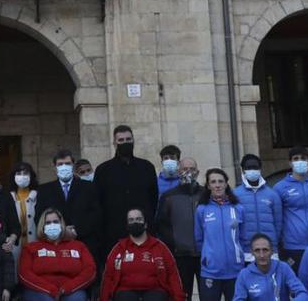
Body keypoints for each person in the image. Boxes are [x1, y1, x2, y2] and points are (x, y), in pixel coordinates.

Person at [95, 126, 158, 257]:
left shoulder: (146, 167)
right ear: (114, 143)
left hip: (143, 231)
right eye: (121, 140)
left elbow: (153, 199)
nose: (125, 143)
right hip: (113, 233)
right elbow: (98, 202)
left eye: (128, 139)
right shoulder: (103, 170)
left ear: (133, 140)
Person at [35, 150, 103, 265]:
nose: (64, 167)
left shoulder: (89, 188)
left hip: (85, 244)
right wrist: (61, 231)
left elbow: (96, 215)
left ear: (73, 166)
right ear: (54, 167)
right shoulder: (44, 190)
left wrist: (75, 231)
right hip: (55, 246)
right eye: (60, 164)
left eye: (67, 164)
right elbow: (39, 217)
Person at [101, 206, 183, 301]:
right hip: (125, 292)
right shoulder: (118, 248)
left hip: (155, 291)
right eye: (131, 220)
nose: (135, 222)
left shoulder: (160, 247)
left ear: (145, 224)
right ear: (127, 225)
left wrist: (179, 298)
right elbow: (108, 277)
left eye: (138, 219)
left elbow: (173, 275)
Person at [18, 208, 95, 301]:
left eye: (55, 222)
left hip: (72, 290)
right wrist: (50, 290)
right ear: (42, 226)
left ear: (62, 224)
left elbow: (90, 270)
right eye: (48, 223)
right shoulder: (30, 248)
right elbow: (24, 273)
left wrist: (67, 288)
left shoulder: (79, 246)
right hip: (39, 291)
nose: (52, 225)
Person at [155, 157, 203, 297]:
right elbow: (161, 224)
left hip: (203, 255)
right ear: (178, 171)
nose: (188, 172)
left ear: (197, 172)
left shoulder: (205, 194)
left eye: (192, 169)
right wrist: (174, 243)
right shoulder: (168, 196)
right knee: (182, 295)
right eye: (184, 169)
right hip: (180, 256)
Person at [273, 147, 308, 271]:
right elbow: (277, 218)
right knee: (295, 285)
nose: (300, 161)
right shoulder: (280, 188)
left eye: (303, 158)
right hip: (292, 246)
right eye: (296, 159)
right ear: (290, 163)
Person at [195, 168, 244, 301]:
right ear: (208, 185)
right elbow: (199, 239)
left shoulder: (238, 208)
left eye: (221, 181)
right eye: (213, 182)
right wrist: (208, 258)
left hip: (235, 271)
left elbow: (243, 237)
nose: (217, 185)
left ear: (226, 184)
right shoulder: (202, 209)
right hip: (211, 271)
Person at [231, 234, 308, 301]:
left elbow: (302, 292)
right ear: (252, 252)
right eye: (257, 250)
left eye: (265, 250)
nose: (262, 255)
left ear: (272, 251)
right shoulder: (244, 274)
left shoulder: (283, 268)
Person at [234, 154, 281, 259]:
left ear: (260, 169)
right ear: (243, 170)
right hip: (246, 251)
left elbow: (278, 223)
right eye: (248, 168)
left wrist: (273, 243)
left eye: (255, 167)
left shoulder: (272, 194)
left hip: (269, 250)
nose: (252, 170)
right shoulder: (235, 195)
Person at [9, 162, 39, 262]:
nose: (22, 176)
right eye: (18, 173)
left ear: (31, 176)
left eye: (25, 173)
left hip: (35, 244)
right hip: (14, 246)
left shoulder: (38, 196)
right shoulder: (8, 198)